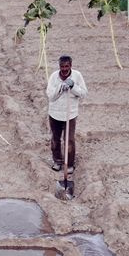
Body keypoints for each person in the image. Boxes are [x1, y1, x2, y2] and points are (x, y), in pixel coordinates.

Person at [46, 54, 88, 197]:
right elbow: (50, 96)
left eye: (67, 66)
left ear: (70, 65)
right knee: (55, 139)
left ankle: (69, 165)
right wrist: (60, 88)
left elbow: (83, 94)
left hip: (70, 114)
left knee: (69, 141)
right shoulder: (53, 77)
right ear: (59, 66)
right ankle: (57, 161)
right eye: (62, 66)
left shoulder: (77, 76)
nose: (64, 69)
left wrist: (73, 86)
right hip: (55, 114)